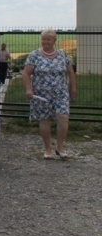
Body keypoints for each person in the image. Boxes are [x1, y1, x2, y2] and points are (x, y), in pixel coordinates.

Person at [21, 29, 77, 159]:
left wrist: (73, 88)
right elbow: (26, 73)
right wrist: (28, 89)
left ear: (54, 41)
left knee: (63, 117)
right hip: (41, 94)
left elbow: (70, 72)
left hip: (60, 93)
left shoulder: (63, 55)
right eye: (43, 39)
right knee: (44, 119)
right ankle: (47, 149)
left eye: (48, 39)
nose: (46, 41)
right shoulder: (34, 55)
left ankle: (60, 146)